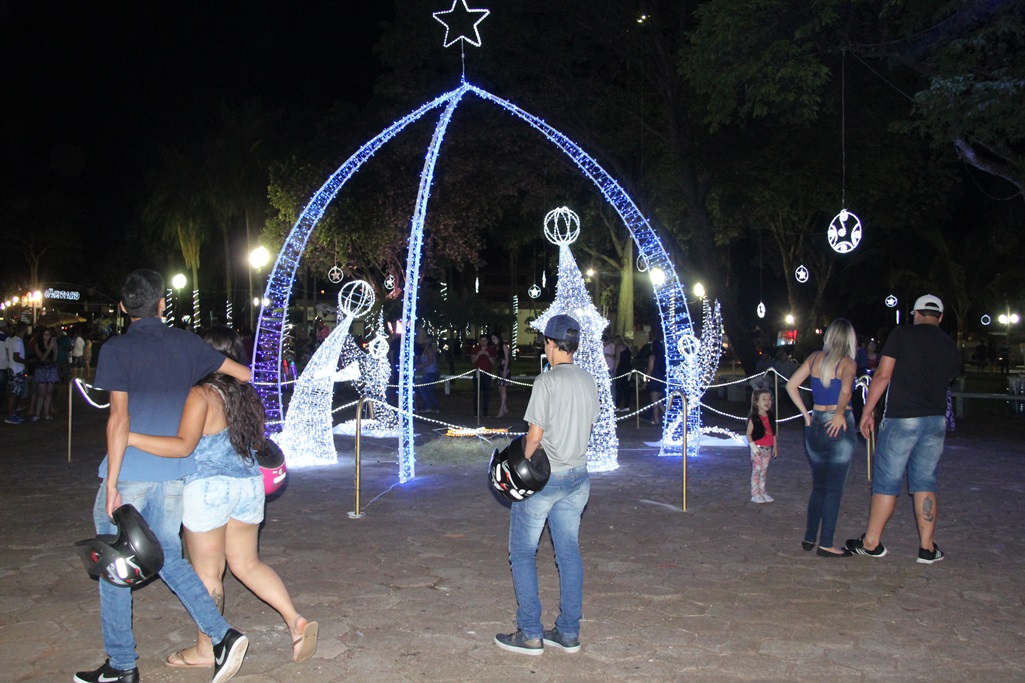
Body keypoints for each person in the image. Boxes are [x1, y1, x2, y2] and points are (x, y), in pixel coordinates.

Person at [78, 269, 252, 683]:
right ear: (161, 304)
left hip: (132, 471)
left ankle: (122, 665)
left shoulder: (116, 349)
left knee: (114, 567)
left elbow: (118, 419)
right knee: (170, 558)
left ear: (122, 308)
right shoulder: (187, 344)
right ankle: (222, 634)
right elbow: (243, 375)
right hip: (174, 475)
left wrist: (113, 485)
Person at [127, 326, 318, 668]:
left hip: (209, 489)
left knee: (208, 572)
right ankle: (295, 621)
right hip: (248, 486)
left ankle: (207, 648)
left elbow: (183, 446)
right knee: (248, 564)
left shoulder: (201, 394)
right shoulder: (246, 393)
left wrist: (131, 437)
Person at [495, 314, 598, 656]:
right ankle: (568, 631)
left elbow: (534, 438)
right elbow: (588, 426)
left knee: (523, 553)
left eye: (545, 341)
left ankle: (530, 633)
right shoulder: (588, 380)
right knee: (568, 553)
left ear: (552, 344)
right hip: (578, 477)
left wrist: (518, 469)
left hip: (546, 480)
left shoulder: (547, 381)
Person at [846, 295, 959, 564]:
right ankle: (927, 547)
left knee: (887, 481)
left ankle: (871, 542)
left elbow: (883, 375)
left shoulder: (901, 335)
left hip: (902, 419)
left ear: (915, 314)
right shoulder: (948, 344)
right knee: (925, 481)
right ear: (940, 317)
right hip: (934, 420)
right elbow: (949, 378)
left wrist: (867, 411)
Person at [786, 319, 858, 557]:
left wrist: (806, 414)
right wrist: (839, 414)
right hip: (839, 425)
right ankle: (826, 542)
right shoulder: (847, 362)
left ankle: (809, 537)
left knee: (819, 486)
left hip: (815, 423)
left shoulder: (815, 358)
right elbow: (846, 390)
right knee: (834, 489)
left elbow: (791, 385)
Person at [745, 388, 777, 504]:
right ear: (756, 402)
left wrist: (775, 447)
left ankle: (763, 491)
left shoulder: (770, 416)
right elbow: (748, 434)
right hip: (758, 448)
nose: (767, 402)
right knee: (757, 471)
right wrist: (753, 447)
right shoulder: (754, 418)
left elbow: (773, 433)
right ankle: (755, 493)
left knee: (763, 472)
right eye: (764, 399)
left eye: (769, 399)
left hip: (767, 449)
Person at [29, 326, 58, 421]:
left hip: (51, 369)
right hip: (41, 369)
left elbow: (54, 359)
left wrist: (55, 350)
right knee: (41, 392)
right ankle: (37, 413)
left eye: (49, 335)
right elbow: (42, 358)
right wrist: (49, 348)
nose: (48, 337)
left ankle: (46, 413)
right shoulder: (38, 345)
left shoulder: (52, 344)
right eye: (46, 335)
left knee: (49, 392)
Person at [5, 322, 28, 424]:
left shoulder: (11, 340)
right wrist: (26, 362)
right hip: (17, 369)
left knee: (14, 393)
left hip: (11, 368)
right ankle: (11, 415)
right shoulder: (18, 341)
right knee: (14, 394)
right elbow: (16, 356)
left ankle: (12, 413)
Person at [646, 327, 666, 426]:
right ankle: (666, 413)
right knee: (658, 399)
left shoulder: (652, 356)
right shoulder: (663, 356)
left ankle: (656, 419)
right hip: (662, 378)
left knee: (654, 400)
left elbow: (650, 369)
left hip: (655, 378)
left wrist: (647, 380)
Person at [472, 333, 496, 417]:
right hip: (477, 373)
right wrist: (479, 354)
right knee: (476, 393)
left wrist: (488, 355)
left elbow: (493, 362)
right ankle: (476, 412)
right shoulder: (476, 349)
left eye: (485, 341)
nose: (483, 343)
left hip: (487, 373)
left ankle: (485, 412)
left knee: (486, 393)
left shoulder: (491, 350)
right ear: (479, 341)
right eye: (481, 341)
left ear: (487, 341)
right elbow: (473, 361)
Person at [416, 335, 441, 413]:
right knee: (429, 390)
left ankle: (428, 406)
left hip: (430, 372)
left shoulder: (429, 349)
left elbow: (430, 360)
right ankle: (435, 407)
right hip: (431, 371)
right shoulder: (427, 349)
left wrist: (421, 366)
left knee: (423, 388)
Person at [493, 333, 512, 418]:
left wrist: (505, 370)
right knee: (500, 388)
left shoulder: (503, 346)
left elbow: (507, 359)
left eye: (494, 339)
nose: (493, 341)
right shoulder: (497, 347)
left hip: (504, 369)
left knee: (503, 389)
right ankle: (504, 407)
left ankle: (501, 410)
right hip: (499, 369)